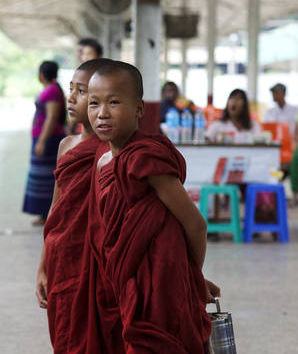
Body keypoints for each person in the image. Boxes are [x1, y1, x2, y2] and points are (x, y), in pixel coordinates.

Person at [84, 61, 217, 352]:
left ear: (140, 109)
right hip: (120, 281)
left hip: (162, 284)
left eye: (114, 102)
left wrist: (192, 278)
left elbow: (195, 224)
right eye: (94, 103)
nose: (102, 113)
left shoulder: (146, 159)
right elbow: (103, 231)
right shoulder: (102, 160)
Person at [35, 58, 113, 352]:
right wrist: (42, 266)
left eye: (81, 92)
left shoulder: (115, 152)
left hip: (98, 266)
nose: (71, 98)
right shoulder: (66, 146)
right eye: (71, 89)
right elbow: (56, 212)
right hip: (62, 258)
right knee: (66, 335)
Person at [23, 61, 67, 226]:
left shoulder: (52, 91)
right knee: (42, 176)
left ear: (41, 75)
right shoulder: (52, 89)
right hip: (44, 138)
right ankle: (44, 214)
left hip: (48, 139)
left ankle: (48, 214)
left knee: (46, 177)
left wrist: (42, 141)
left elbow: (51, 117)